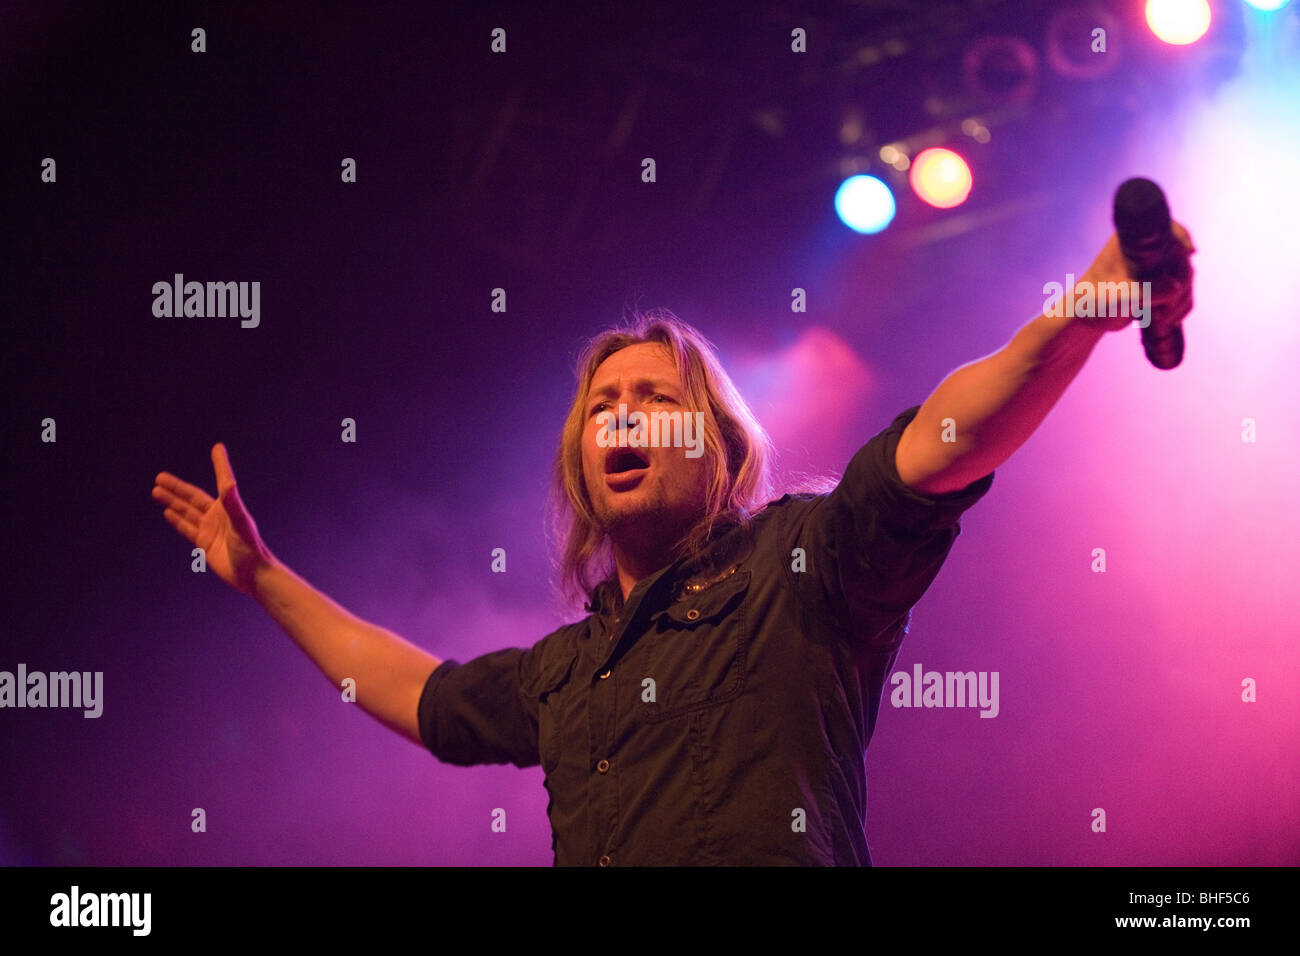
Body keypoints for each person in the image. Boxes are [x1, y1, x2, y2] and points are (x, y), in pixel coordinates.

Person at [151, 224, 1195, 865]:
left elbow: (938, 443)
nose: (623, 415)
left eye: (655, 398)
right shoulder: (564, 671)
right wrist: (265, 578)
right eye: (604, 404)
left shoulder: (804, 565)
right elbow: (416, 693)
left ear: (719, 445)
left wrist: (1088, 307)